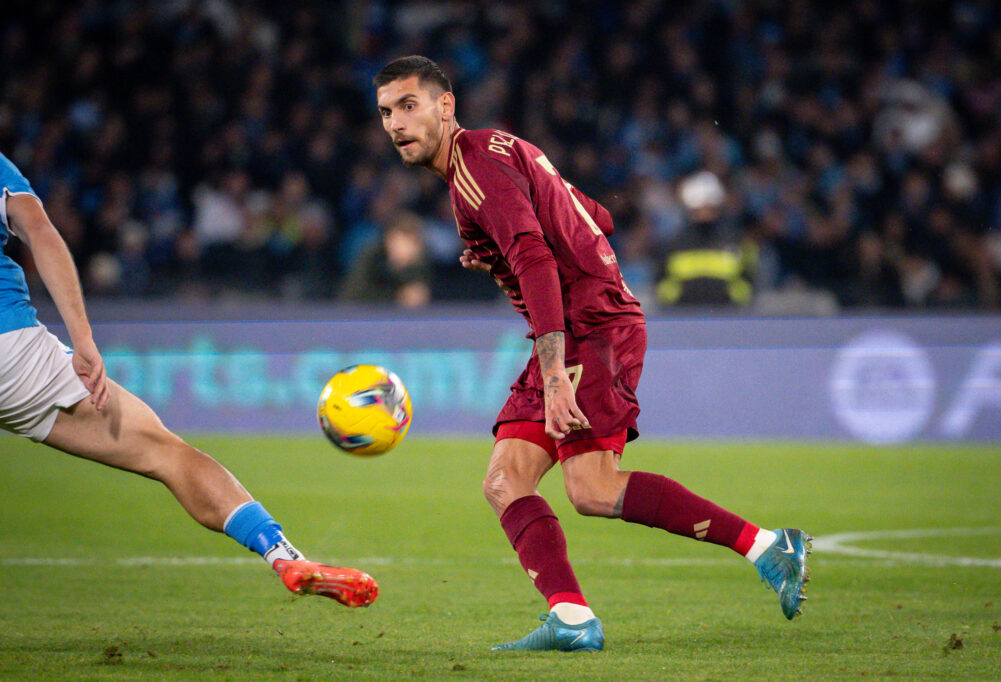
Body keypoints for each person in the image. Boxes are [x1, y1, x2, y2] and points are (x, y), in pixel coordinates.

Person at [374, 56, 811, 652]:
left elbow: (534, 257)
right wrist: (502, 246)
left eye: (408, 106)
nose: (396, 123)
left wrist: (555, 372)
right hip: (578, 324)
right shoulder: (499, 149)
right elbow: (596, 216)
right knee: (505, 480)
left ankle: (767, 547)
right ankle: (573, 618)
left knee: (593, 489)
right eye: (386, 112)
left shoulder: (473, 169)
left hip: (591, 329)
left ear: (445, 106)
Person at [0, 150, 378, 608]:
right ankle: (283, 554)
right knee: (165, 452)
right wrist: (82, 338)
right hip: (13, 352)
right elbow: (39, 231)